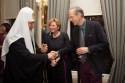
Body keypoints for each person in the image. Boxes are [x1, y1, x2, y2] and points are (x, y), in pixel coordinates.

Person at [1, 7, 57, 83]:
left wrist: (40, 50)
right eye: (31, 23)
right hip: (17, 77)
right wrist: (47, 56)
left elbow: (30, 51)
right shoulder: (14, 38)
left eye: (33, 23)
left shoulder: (25, 35)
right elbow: (26, 56)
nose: (33, 26)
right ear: (23, 22)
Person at [68, 7, 113, 83]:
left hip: (94, 65)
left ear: (79, 15)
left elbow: (105, 43)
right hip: (81, 65)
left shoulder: (95, 25)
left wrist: (88, 49)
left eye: (71, 17)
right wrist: (59, 52)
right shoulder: (75, 30)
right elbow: (72, 47)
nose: (70, 19)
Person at [41, 18, 72, 83]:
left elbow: (68, 48)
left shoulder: (64, 35)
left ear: (58, 27)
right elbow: (46, 50)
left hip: (63, 63)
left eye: (53, 25)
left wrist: (58, 53)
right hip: (51, 63)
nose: (51, 27)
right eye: (50, 25)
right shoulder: (47, 36)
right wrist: (52, 60)